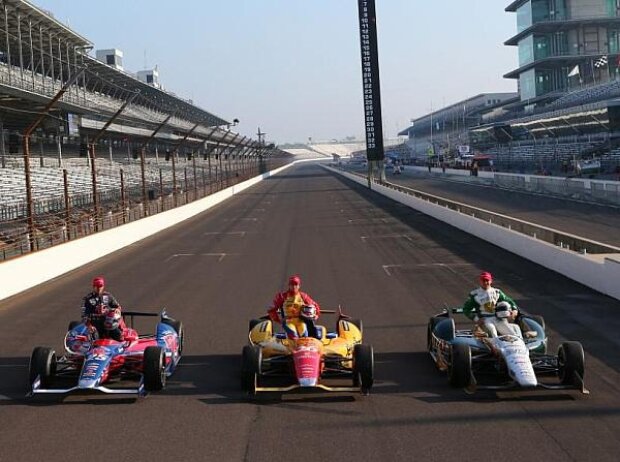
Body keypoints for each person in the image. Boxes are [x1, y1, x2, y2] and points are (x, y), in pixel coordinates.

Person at [462, 272, 519, 337]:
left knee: (512, 334)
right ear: (480, 281)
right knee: (493, 333)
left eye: (487, 280)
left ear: (491, 281)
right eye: (483, 280)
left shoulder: (497, 292)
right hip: (485, 319)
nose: (485, 282)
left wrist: (514, 310)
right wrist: (476, 319)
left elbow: (509, 301)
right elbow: (466, 309)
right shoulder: (474, 294)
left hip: (498, 318)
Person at [81, 276, 125, 341]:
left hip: (109, 323)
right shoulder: (87, 299)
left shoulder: (108, 295)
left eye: (100, 286)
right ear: (93, 287)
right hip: (95, 325)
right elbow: (84, 316)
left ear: (103, 286)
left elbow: (117, 307)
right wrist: (89, 326)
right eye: (97, 286)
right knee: (95, 338)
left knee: (119, 335)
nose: (99, 289)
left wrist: (116, 310)